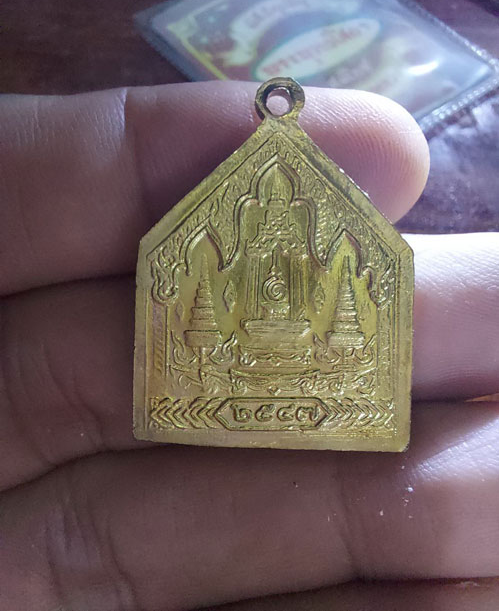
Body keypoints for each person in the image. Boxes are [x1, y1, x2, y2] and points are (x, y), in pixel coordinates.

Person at [0, 82, 497, 611]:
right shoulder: (248, 244)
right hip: (251, 335)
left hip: (293, 335)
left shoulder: (302, 247)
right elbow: (237, 286)